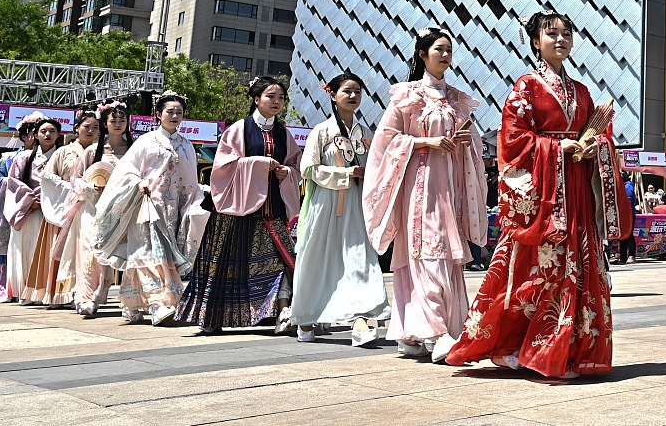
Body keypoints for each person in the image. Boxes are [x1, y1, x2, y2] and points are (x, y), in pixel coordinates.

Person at [446, 10, 632, 378]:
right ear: (535, 42)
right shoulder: (525, 87)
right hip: (545, 195)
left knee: (574, 267)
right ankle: (512, 344)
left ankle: (563, 348)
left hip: (575, 186)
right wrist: (555, 149)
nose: (560, 39)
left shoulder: (582, 91)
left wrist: (596, 147)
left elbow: (597, 134)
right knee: (537, 269)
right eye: (551, 34)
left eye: (567, 33)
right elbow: (513, 140)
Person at [362, 26, 488, 361]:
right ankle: (436, 331)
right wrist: (423, 141)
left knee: (448, 254)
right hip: (419, 188)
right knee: (427, 252)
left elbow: (473, 140)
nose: (445, 55)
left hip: (449, 187)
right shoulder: (407, 97)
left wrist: (465, 142)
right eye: (439, 50)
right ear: (422, 55)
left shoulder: (458, 99)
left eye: (449, 50)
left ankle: (414, 332)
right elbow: (385, 142)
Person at [180, 77, 302, 334]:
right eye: (271, 96)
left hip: (272, 209)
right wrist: (258, 163)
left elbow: (295, 164)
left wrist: (287, 173)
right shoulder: (238, 129)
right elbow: (223, 166)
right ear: (256, 99)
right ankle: (213, 316)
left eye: (280, 97)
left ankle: (282, 312)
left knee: (281, 260)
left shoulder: (284, 133)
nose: (277, 102)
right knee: (227, 261)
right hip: (236, 210)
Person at [289, 72, 391, 345]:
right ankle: (307, 316)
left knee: (360, 258)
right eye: (347, 90)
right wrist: (344, 174)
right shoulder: (321, 132)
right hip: (327, 204)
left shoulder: (366, 134)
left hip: (356, 206)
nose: (353, 96)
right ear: (332, 94)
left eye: (357, 91)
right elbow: (308, 169)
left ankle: (360, 321)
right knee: (317, 259)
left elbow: (379, 167)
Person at [95, 92, 209, 325]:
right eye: (170, 111)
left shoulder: (187, 145)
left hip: (174, 209)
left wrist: (194, 203)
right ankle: (159, 303)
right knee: (149, 254)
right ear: (158, 114)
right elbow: (126, 169)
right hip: (147, 207)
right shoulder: (146, 141)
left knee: (162, 256)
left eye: (179, 112)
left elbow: (190, 180)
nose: (175, 116)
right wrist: (138, 182)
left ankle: (133, 303)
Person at [72, 101, 132, 317]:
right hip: (94, 207)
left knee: (124, 253)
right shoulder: (92, 151)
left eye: (122, 120)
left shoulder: (134, 149)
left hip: (124, 208)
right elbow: (75, 179)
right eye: (113, 120)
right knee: (92, 252)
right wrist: (90, 186)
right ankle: (88, 296)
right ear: (104, 123)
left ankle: (124, 297)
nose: (117, 124)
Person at [38, 111, 100, 308]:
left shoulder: (102, 152)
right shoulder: (63, 152)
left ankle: (86, 294)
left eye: (96, 127)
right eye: (86, 126)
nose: (90, 131)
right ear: (76, 128)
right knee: (63, 249)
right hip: (67, 205)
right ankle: (59, 295)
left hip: (93, 206)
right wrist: (69, 187)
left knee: (88, 252)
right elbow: (47, 176)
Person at [6, 118, 64, 305]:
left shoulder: (64, 157)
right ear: (36, 134)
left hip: (53, 212)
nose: (48, 135)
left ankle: (46, 292)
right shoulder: (23, 157)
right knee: (26, 252)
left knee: (48, 254)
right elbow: (13, 182)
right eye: (43, 131)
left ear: (58, 134)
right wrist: (30, 200)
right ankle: (25, 292)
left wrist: (50, 200)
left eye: (52, 131)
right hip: (29, 211)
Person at [0, 116, 40, 302]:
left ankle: (30, 289)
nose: (35, 137)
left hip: (35, 208)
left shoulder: (46, 157)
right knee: (5, 249)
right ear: (23, 136)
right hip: (11, 208)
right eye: (32, 133)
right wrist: (13, 184)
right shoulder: (8, 158)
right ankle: (4, 289)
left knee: (31, 248)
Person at [618, 172, 639, 264]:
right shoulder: (623, 186)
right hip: (623, 214)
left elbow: (629, 199)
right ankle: (623, 256)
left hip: (628, 214)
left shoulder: (628, 186)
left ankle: (631, 255)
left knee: (629, 234)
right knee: (622, 235)